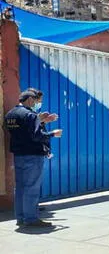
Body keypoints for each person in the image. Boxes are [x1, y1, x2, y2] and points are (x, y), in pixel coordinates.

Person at [5, 90, 62, 227]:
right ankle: (31, 219)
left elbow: (23, 131)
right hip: (32, 155)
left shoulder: (10, 115)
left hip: (18, 154)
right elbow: (36, 136)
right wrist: (52, 134)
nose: (37, 102)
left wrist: (40, 120)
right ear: (29, 99)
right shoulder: (30, 115)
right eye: (35, 100)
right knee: (32, 188)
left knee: (20, 187)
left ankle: (20, 218)